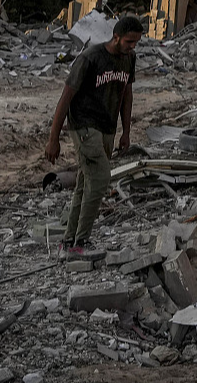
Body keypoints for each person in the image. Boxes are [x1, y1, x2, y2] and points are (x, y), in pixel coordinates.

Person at [45, 15, 140, 256]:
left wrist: (125, 132)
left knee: (84, 183)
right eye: (129, 41)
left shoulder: (130, 59)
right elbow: (65, 97)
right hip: (84, 126)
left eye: (136, 43)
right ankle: (81, 243)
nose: (132, 47)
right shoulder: (90, 58)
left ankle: (68, 241)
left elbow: (126, 95)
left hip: (107, 127)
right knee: (99, 180)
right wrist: (53, 138)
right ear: (116, 37)